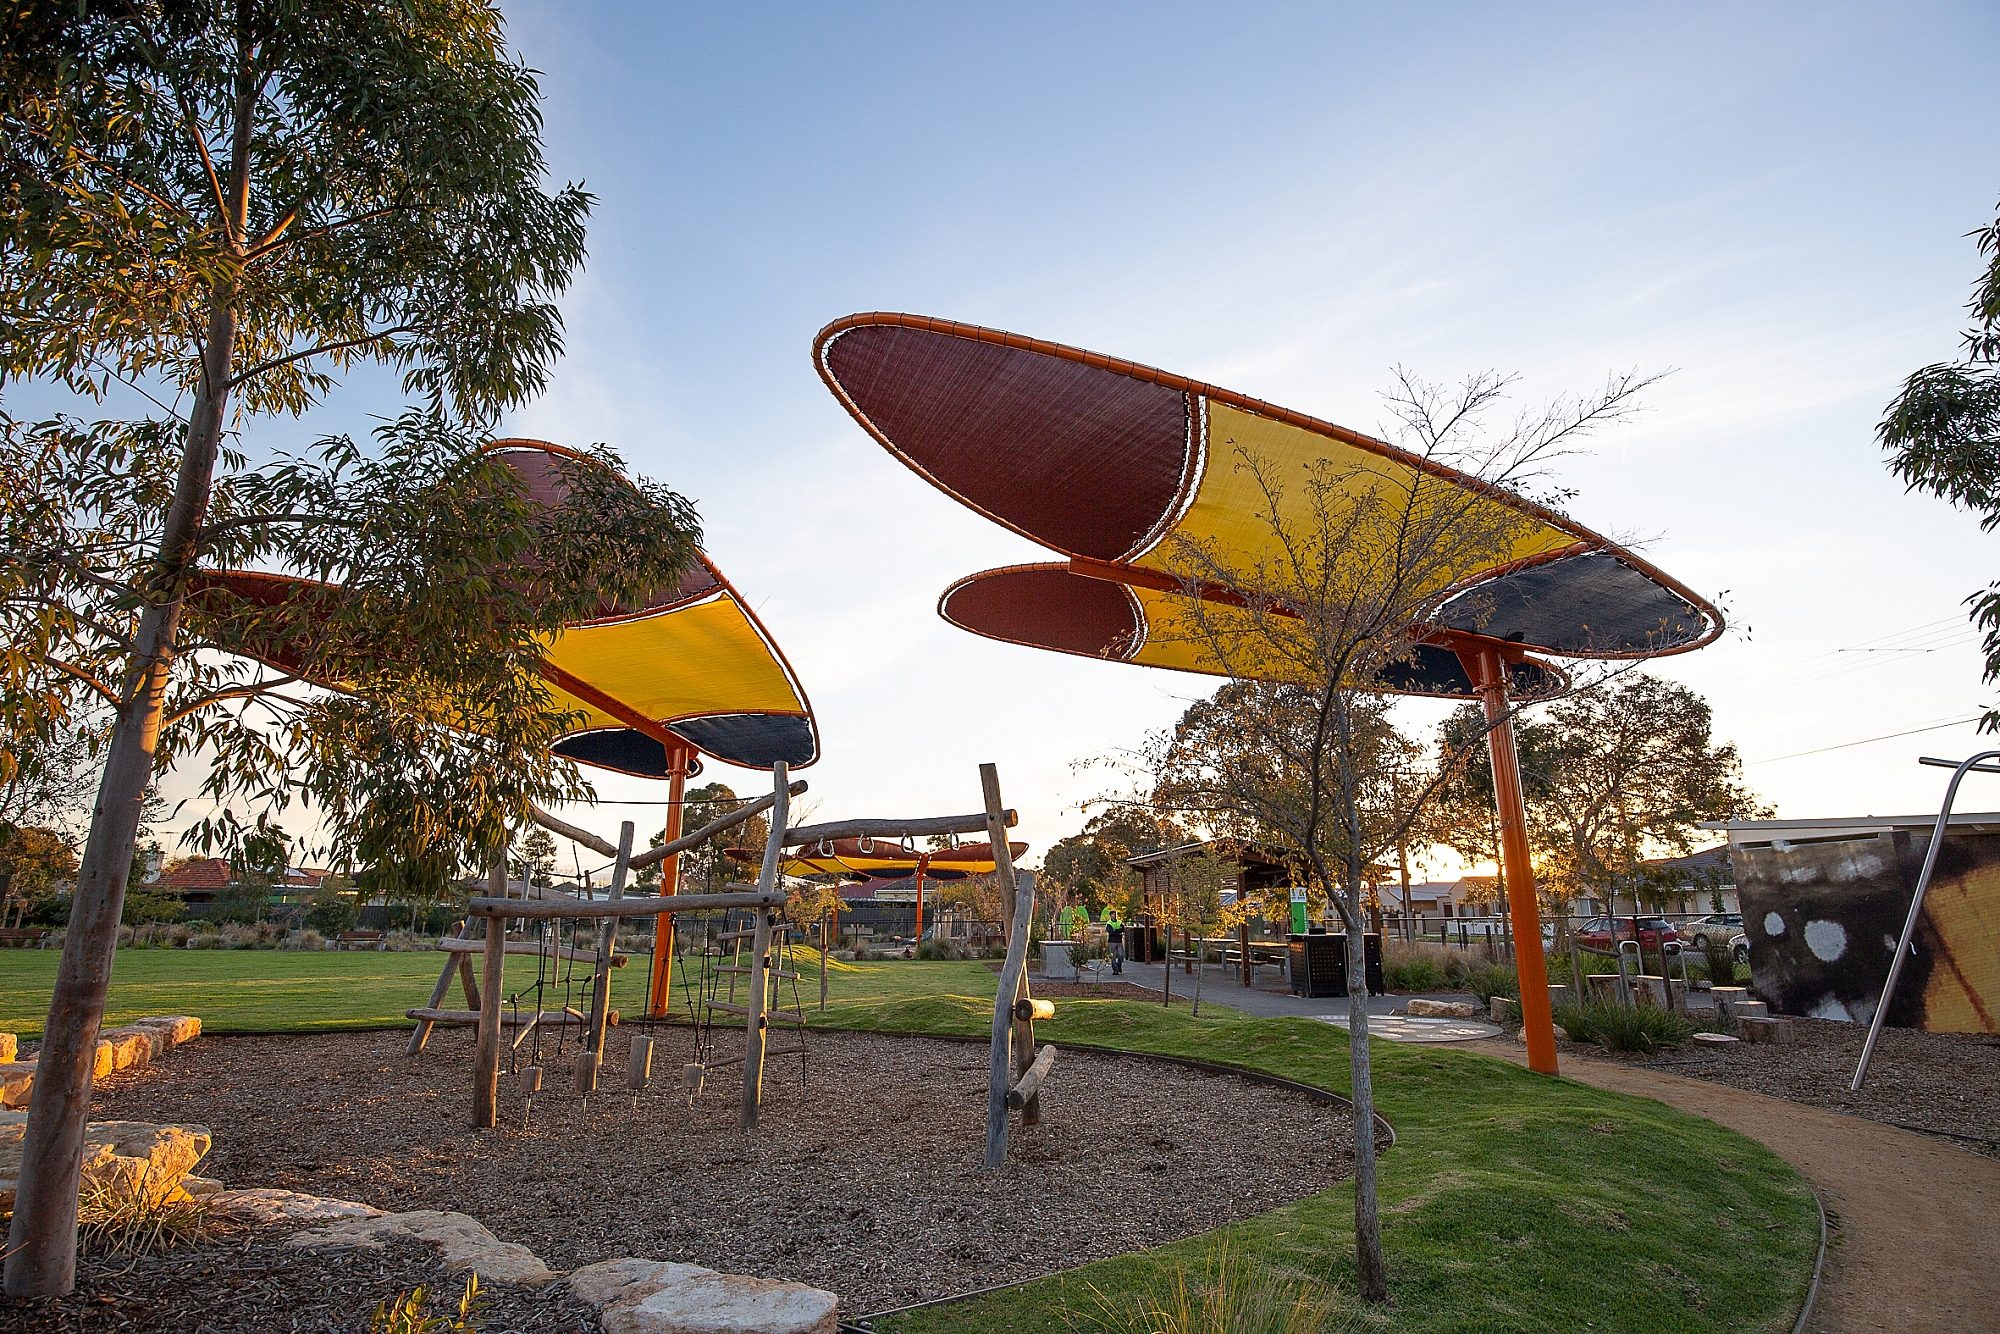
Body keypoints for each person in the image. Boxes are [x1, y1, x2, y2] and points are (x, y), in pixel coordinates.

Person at [1102, 904, 1125, 974]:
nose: (1114, 916)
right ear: (1110, 915)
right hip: (1112, 942)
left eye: (1115, 914)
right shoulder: (1109, 923)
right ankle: (1115, 970)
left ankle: (1118, 966)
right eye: (1113, 914)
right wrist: (1118, 931)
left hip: (1119, 941)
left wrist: (1116, 930)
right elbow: (1111, 932)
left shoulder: (1119, 922)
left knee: (1121, 956)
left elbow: (1123, 929)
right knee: (1113, 956)